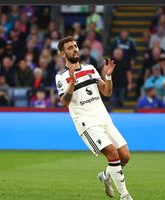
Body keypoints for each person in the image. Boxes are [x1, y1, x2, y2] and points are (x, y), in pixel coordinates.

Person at [55, 36, 133, 200]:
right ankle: (125, 196)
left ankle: (105, 176)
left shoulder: (90, 68)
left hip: (103, 118)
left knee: (125, 156)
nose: (75, 49)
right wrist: (72, 84)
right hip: (86, 122)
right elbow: (64, 102)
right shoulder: (61, 76)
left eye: (75, 46)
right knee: (112, 154)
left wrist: (109, 77)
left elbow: (107, 92)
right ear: (63, 53)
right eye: (69, 48)